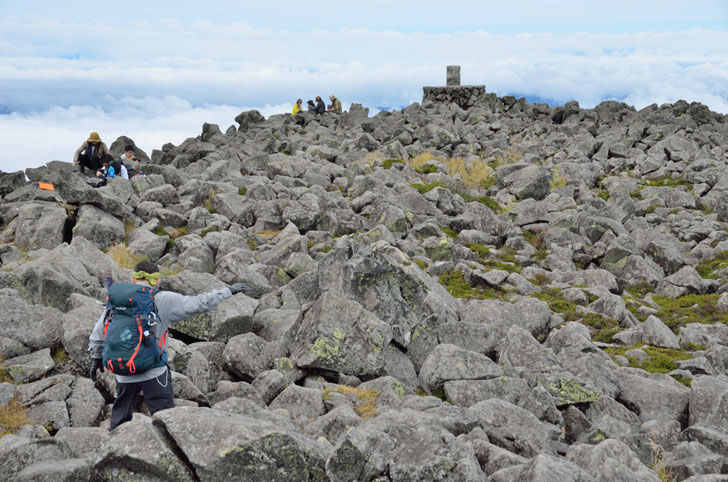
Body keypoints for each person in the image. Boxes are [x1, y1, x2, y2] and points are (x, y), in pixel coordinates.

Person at [88, 260, 251, 430]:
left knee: (120, 421)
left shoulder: (117, 300)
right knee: (166, 420)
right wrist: (228, 291)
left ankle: (116, 450)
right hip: (154, 372)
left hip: (123, 371)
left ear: (133, 279)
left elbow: (100, 330)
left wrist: (96, 357)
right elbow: (200, 303)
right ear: (157, 280)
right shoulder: (164, 299)